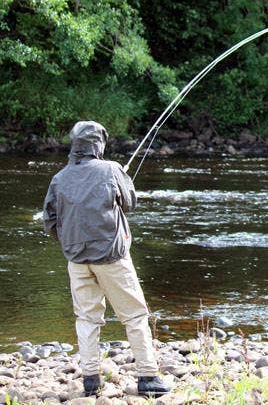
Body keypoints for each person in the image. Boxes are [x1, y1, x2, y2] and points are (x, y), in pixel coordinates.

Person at [43, 121, 170, 397]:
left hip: (77, 259)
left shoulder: (59, 178)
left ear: (75, 146)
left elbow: (50, 221)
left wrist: (72, 241)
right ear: (97, 145)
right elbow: (130, 203)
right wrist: (121, 177)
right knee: (135, 316)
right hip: (112, 258)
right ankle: (148, 377)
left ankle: (91, 380)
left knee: (86, 318)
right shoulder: (111, 169)